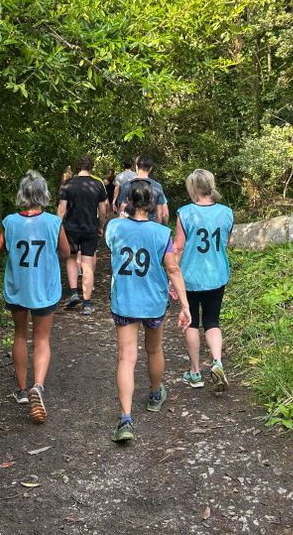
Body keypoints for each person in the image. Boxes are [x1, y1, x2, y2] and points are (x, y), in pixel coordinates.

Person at [106, 180, 190, 443]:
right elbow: (173, 269)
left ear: (128, 201)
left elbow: (113, 248)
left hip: (125, 300)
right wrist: (185, 305)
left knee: (126, 358)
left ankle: (125, 418)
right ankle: (155, 395)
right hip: (153, 301)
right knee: (154, 349)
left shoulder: (115, 227)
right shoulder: (161, 233)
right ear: (152, 202)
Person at [0, 170, 70, 424]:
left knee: (19, 334)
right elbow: (66, 250)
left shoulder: (9, 221)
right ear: (43, 194)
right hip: (45, 289)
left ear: (22, 194)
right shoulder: (53, 222)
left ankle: (20, 390)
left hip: (18, 287)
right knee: (41, 338)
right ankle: (37, 386)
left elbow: (1, 246)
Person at [173, 169, 234, 392]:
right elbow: (225, 243)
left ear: (192, 188)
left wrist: (173, 276)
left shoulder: (185, 213)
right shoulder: (227, 212)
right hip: (217, 275)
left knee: (191, 321)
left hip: (190, 276)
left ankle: (195, 372)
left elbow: (178, 247)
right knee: (212, 321)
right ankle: (217, 362)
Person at [57, 154, 109, 316]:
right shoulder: (97, 184)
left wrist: (57, 230)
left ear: (76, 166)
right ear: (91, 166)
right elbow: (102, 210)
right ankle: (87, 303)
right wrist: (101, 226)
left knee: (71, 259)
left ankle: (73, 293)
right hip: (90, 228)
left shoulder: (67, 185)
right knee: (87, 264)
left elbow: (61, 210)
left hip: (71, 229)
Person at [117, 156, 169, 224]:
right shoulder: (157, 187)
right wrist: (160, 227)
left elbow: (122, 209)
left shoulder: (126, 186)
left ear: (136, 167)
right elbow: (163, 213)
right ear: (151, 168)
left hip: (131, 227)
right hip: (151, 227)